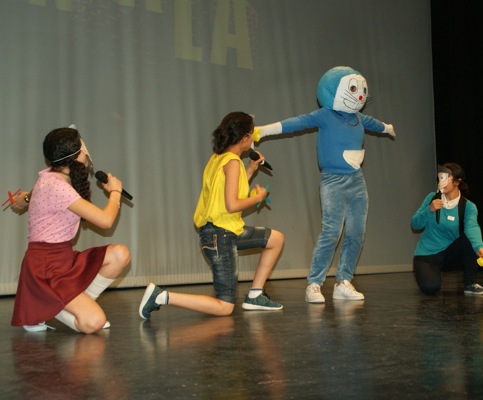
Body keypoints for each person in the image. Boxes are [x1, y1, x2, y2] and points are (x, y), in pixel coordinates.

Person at [254, 66, 395, 303]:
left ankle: (344, 281)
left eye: (362, 90)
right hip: (333, 181)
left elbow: (376, 124)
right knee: (331, 232)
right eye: (353, 89)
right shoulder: (326, 115)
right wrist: (262, 131)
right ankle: (314, 284)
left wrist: (388, 128)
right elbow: (295, 123)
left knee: (356, 233)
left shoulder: (358, 118)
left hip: (357, 181)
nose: (360, 95)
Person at [139, 112, 284, 318]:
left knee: (275, 239)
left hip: (226, 231)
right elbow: (232, 204)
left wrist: (251, 169)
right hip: (220, 236)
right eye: (251, 134)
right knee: (225, 306)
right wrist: (258, 198)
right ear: (244, 138)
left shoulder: (218, 159)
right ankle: (161, 296)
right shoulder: (232, 162)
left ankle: (255, 295)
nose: (253, 138)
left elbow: (230, 190)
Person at [11, 127, 130, 334]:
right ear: (75, 156)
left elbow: (41, 194)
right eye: (82, 149)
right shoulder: (58, 186)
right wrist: (115, 193)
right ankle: (51, 304)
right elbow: (105, 221)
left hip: (63, 259)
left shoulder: (53, 177)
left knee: (120, 254)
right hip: (46, 267)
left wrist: (26, 198)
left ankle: (76, 304)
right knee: (94, 322)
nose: (86, 153)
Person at [411, 163, 483, 295]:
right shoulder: (432, 198)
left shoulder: (468, 206)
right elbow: (415, 224)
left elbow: (472, 227)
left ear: (457, 182)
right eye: (439, 177)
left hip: (449, 253)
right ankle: (431, 274)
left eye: (445, 177)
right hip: (427, 254)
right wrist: (429, 210)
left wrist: (480, 248)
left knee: (469, 241)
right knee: (430, 288)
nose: (440, 181)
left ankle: (470, 283)